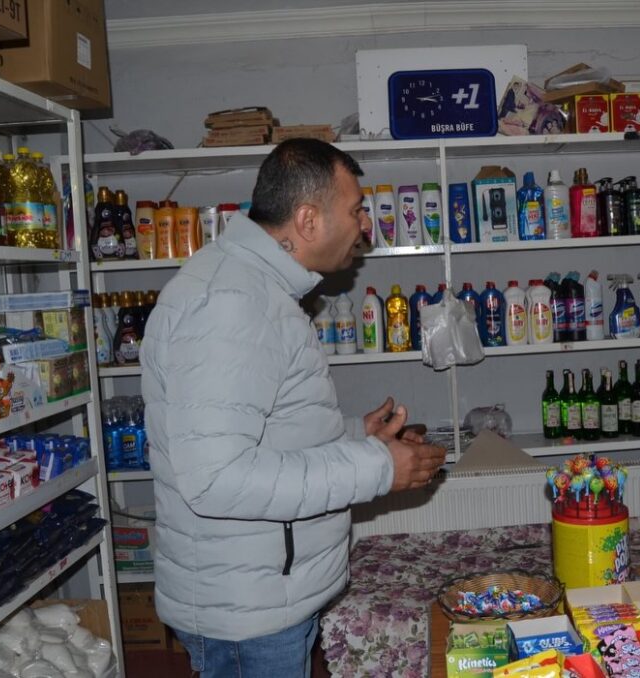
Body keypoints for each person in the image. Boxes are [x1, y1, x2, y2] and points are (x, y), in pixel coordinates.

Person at [140, 138, 447, 677]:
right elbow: (216, 479)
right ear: (308, 220)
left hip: (266, 594)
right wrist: (377, 467)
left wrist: (356, 434)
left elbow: (265, 430)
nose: (365, 226)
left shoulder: (256, 289)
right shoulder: (230, 304)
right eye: (355, 210)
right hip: (248, 615)